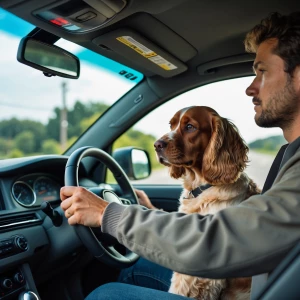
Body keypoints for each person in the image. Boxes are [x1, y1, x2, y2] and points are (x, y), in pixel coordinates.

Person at [60, 11, 300, 299]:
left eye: (262, 72)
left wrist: (106, 213)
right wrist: (150, 215)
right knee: (136, 269)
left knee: (106, 295)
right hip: (265, 283)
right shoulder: (290, 155)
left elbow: (220, 241)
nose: (250, 87)